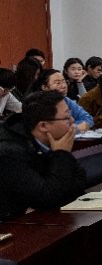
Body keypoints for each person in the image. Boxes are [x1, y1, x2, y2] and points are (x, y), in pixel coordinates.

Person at [0, 90, 87, 221]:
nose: (72, 121)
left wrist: (51, 195)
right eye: (67, 117)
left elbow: (80, 180)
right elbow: (47, 197)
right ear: (43, 126)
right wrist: (61, 154)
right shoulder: (10, 152)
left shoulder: (53, 140)